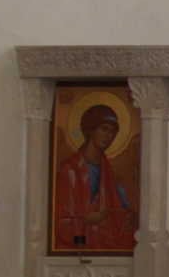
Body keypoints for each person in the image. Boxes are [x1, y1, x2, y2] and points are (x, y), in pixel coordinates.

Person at [54, 103, 136, 251]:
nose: (109, 136)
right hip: (76, 248)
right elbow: (60, 223)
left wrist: (126, 218)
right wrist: (86, 220)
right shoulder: (70, 170)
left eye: (113, 132)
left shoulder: (110, 175)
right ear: (90, 130)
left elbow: (119, 214)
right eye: (104, 129)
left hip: (104, 246)